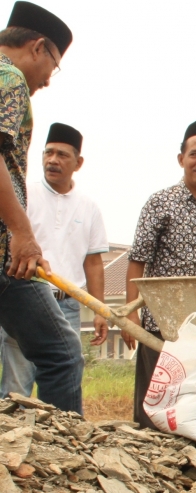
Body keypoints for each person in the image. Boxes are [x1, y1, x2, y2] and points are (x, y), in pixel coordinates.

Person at [0, 2, 83, 413]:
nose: (48, 81)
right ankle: (74, 460)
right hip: (5, 259)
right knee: (62, 352)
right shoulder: (9, 77)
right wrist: (22, 233)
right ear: (38, 47)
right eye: (53, 65)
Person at [122, 117, 196, 429]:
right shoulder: (160, 203)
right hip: (164, 322)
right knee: (155, 409)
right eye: (194, 154)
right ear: (181, 158)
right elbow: (137, 260)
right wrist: (131, 316)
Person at [0, 122, 108, 397]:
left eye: (61, 155)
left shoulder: (89, 207)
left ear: (78, 162)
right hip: (26, 299)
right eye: (48, 153)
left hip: (68, 305)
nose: (52, 160)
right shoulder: (22, 195)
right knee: (16, 388)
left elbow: (93, 262)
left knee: (65, 376)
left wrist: (99, 310)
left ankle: (58, 439)